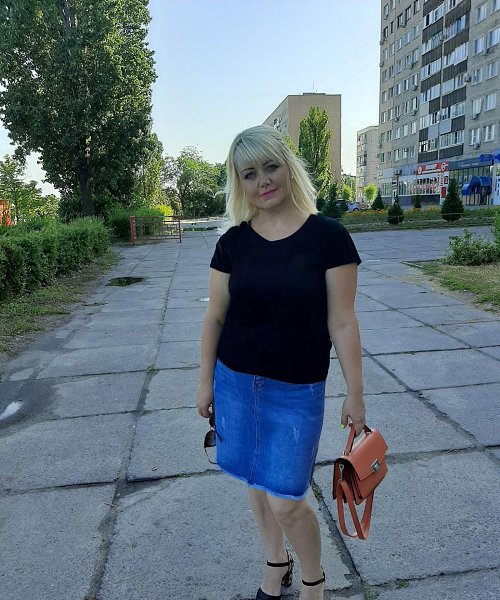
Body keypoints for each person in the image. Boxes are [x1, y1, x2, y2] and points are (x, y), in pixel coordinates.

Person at [196, 125, 365, 600]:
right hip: (235, 383)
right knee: (254, 478)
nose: (263, 181)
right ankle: (276, 563)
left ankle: (314, 581)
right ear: (239, 183)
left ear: (288, 168)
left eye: (270, 167)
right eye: (249, 173)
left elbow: (343, 321)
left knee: (286, 498)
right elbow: (214, 317)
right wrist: (205, 382)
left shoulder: (328, 237)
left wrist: (355, 393)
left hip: (296, 392)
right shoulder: (232, 243)